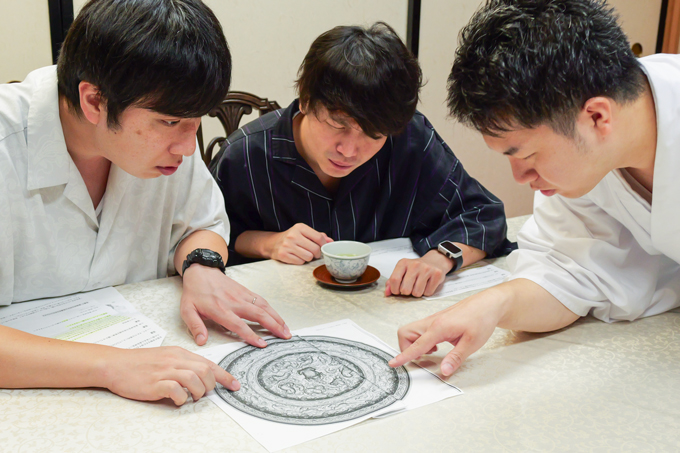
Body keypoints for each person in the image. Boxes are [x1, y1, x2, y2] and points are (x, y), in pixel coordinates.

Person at [0, 0, 290, 406]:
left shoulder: (167, 147)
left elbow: (200, 223)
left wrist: (203, 267)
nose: (189, 147)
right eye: (170, 122)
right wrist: (110, 366)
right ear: (95, 102)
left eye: (197, 121)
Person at [390, 0, 680, 376]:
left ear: (596, 116)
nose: (520, 177)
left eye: (525, 154)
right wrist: (493, 305)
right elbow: (568, 271)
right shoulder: (587, 164)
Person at [210, 22, 515, 298]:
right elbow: (202, 238)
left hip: (390, 314)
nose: (350, 150)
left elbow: (482, 214)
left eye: (373, 134)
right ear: (305, 98)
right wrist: (268, 243)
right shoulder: (246, 155)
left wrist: (441, 258)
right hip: (280, 316)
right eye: (338, 124)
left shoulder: (408, 139)